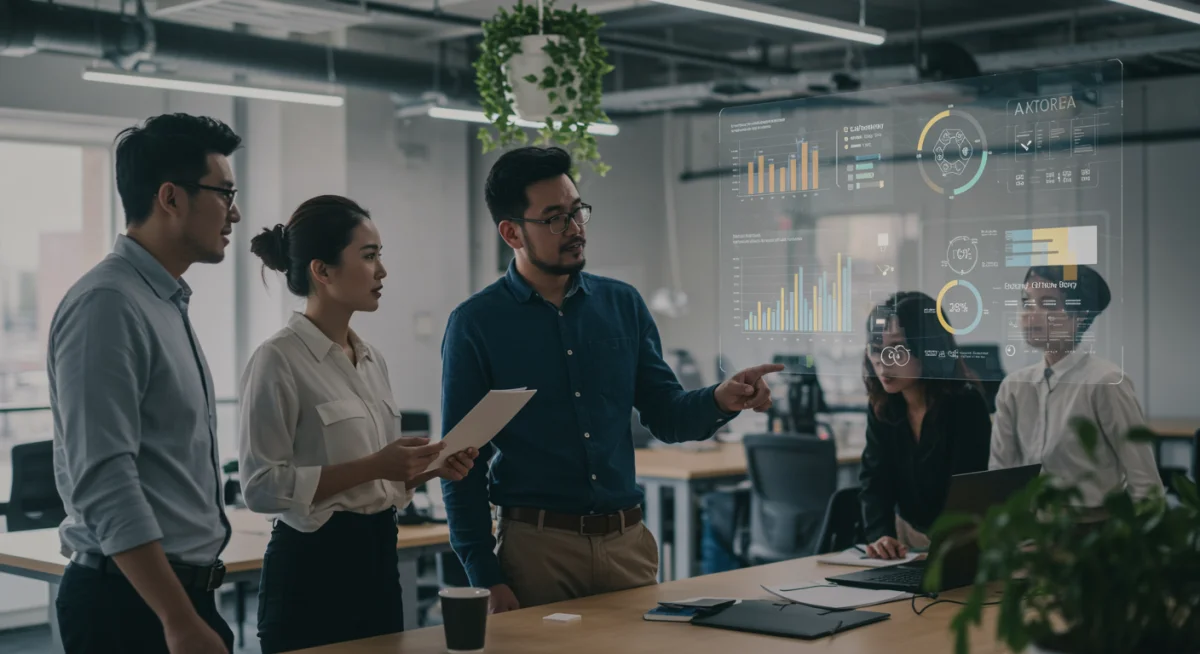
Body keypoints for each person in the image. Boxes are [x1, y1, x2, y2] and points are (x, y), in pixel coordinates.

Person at [441, 146, 783, 613]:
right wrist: (484, 574)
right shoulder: (476, 324)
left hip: (627, 545)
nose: (576, 228)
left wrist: (722, 400)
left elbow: (666, 414)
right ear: (511, 232)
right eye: (555, 218)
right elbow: (461, 464)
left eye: (578, 211)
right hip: (538, 551)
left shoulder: (622, 305)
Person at [239, 196, 478, 653]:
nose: (382, 271)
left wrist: (427, 468)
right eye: (369, 256)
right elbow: (261, 487)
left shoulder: (371, 359)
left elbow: (379, 483)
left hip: (377, 562)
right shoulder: (278, 359)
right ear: (322, 271)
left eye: (380, 255)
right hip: (311, 571)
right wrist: (375, 465)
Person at [48, 114, 241, 654]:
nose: (236, 212)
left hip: (178, 598)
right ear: (171, 198)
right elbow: (105, 477)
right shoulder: (108, 304)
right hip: (133, 607)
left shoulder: (161, 301)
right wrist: (177, 620)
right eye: (225, 193)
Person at [989, 265, 1162, 510]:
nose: (1031, 313)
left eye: (1048, 305)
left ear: (1078, 315)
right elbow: (998, 479)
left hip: (1092, 535)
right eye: (1027, 303)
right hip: (1028, 537)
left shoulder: (1106, 382)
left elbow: (1146, 486)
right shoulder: (1014, 387)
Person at [858, 292, 991, 560]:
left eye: (898, 349)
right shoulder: (884, 405)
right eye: (876, 348)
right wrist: (881, 536)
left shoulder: (965, 404)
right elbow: (875, 480)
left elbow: (965, 496)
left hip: (958, 545)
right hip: (905, 542)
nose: (884, 362)